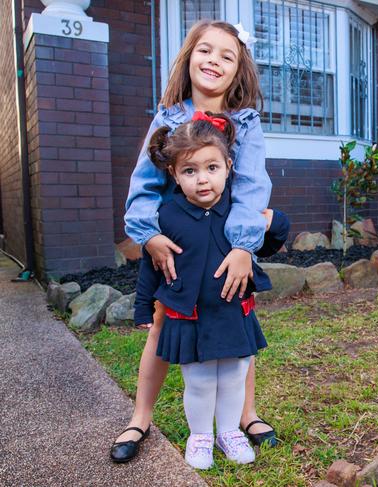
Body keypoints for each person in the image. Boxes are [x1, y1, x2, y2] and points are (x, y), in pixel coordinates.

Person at [110, 20, 276, 463]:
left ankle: (246, 414)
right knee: (165, 324)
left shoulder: (246, 123)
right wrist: (150, 237)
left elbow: (251, 186)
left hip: (225, 245)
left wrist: (243, 246)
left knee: (236, 320)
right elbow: (143, 186)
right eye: (206, 51)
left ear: (238, 69)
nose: (214, 61)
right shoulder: (166, 119)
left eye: (227, 55)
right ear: (189, 57)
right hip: (178, 245)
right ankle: (140, 417)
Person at [134, 112, 287, 468]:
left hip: (234, 313)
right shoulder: (167, 217)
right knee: (200, 382)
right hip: (191, 318)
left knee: (234, 377)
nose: (202, 180)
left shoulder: (239, 212)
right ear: (173, 174)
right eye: (190, 171)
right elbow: (149, 266)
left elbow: (269, 242)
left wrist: (274, 221)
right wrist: (143, 308)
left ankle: (229, 431)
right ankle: (200, 435)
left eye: (212, 168)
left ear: (229, 166)